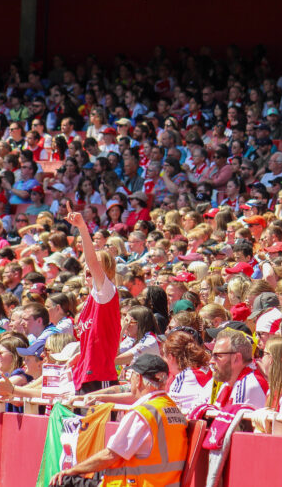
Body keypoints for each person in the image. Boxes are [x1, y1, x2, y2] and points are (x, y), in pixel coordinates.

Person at [49, 354, 188, 487]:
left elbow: (110, 455)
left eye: (131, 376)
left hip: (137, 483)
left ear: (138, 379)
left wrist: (72, 470)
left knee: (61, 480)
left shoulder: (142, 414)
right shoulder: (172, 408)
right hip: (164, 482)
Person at [65, 201, 122, 393]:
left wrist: (82, 228)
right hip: (84, 375)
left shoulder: (107, 291)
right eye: (88, 267)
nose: (90, 267)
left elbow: (90, 259)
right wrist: (80, 355)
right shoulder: (91, 299)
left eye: (96, 265)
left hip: (101, 378)